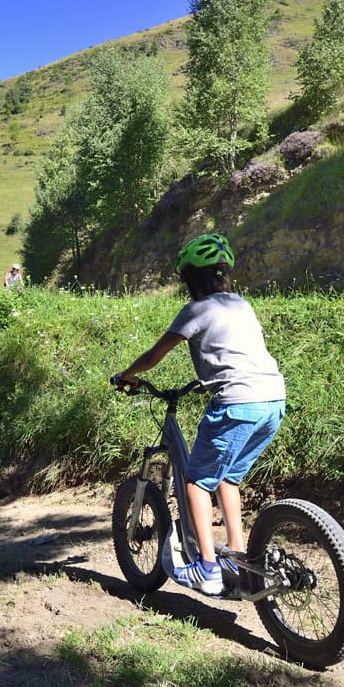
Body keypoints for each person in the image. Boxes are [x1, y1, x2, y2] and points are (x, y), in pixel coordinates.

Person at [114, 233, 286, 596]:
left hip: (236, 403)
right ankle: (238, 555)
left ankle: (207, 567)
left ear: (191, 278)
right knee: (228, 479)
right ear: (225, 275)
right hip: (272, 400)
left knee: (196, 481)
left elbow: (153, 356)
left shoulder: (196, 310)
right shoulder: (241, 305)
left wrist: (128, 375)